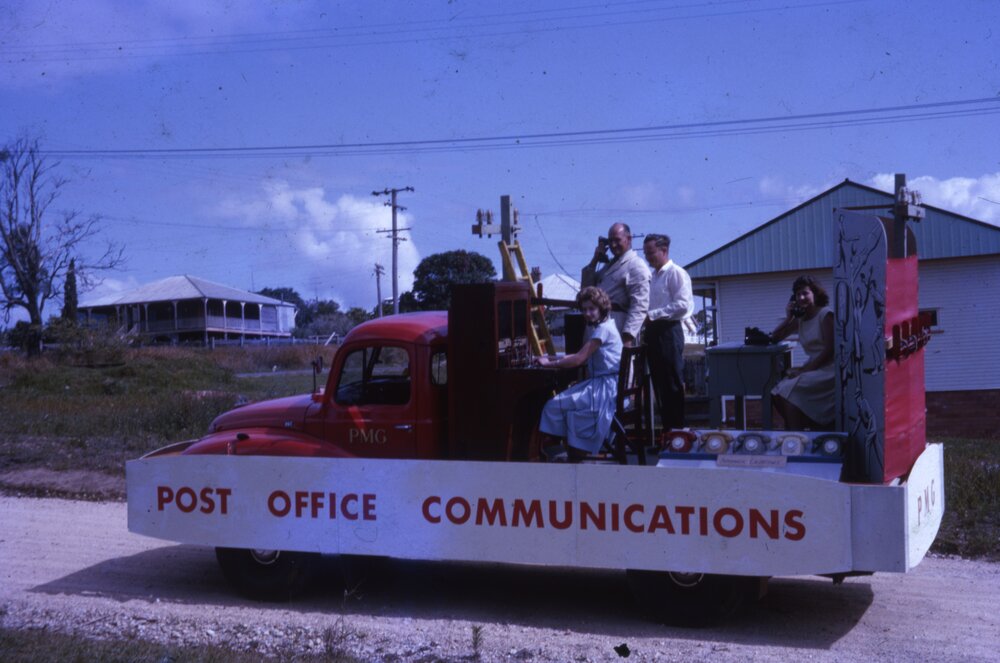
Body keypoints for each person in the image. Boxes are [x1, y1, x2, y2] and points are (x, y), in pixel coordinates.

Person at [536, 286, 623, 459]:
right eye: (584, 310)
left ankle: (560, 451)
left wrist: (547, 365)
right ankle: (562, 450)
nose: (588, 313)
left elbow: (578, 359)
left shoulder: (602, 330)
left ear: (601, 308)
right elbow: (579, 355)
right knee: (561, 404)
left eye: (592, 309)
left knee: (553, 405)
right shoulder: (606, 325)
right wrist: (551, 358)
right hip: (606, 384)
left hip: (605, 390)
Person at [770, 275, 836, 430]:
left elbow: (829, 351)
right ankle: (797, 428)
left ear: (815, 293)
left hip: (829, 369)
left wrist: (802, 371)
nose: (801, 297)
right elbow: (775, 338)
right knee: (776, 393)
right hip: (814, 367)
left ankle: (795, 433)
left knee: (788, 390)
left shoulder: (825, 315)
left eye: (805, 293)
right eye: (798, 294)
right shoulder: (801, 319)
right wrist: (789, 318)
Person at [642, 234, 693, 430]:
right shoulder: (653, 276)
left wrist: (652, 315)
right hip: (653, 332)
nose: (648, 257)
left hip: (669, 332)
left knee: (672, 384)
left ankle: (678, 436)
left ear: (664, 251)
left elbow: (682, 305)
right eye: (645, 253)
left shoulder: (676, 273)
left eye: (651, 253)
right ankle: (667, 436)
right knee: (659, 386)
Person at [581, 222, 650, 347]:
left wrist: (628, 336)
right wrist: (595, 259)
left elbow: (639, 306)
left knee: (615, 364)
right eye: (610, 241)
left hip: (618, 326)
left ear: (629, 239)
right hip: (598, 325)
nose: (613, 245)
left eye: (617, 240)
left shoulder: (636, 265)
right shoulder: (608, 267)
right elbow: (586, 291)